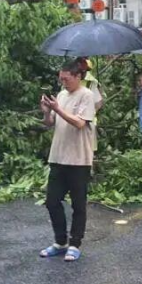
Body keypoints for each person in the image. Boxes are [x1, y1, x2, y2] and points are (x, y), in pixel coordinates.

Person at [38, 60, 97, 262]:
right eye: (61, 79)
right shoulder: (62, 95)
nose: (63, 83)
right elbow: (49, 124)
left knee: (78, 204)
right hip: (58, 156)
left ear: (78, 76)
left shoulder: (86, 95)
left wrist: (58, 109)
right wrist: (47, 111)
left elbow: (79, 123)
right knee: (52, 201)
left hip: (79, 159)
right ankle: (60, 241)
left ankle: (75, 244)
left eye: (66, 79)